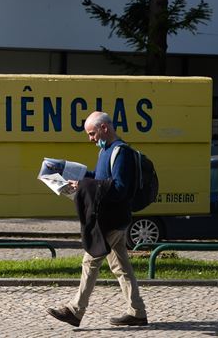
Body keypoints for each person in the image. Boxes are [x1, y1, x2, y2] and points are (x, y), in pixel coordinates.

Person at [46, 111, 148, 327]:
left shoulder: (121, 153)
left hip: (112, 221)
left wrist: (84, 185)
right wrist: (78, 178)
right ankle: (137, 312)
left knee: (90, 261)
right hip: (111, 219)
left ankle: (75, 311)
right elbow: (100, 179)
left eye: (92, 133)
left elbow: (119, 189)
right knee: (121, 267)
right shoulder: (106, 151)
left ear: (104, 128)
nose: (90, 138)